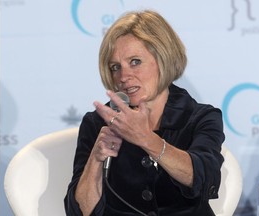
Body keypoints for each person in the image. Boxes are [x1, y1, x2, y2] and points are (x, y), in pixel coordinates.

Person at [64, 9, 225, 216]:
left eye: (135, 62)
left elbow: (205, 179)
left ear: (163, 59)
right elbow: (78, 212)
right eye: (115, 67)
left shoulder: (200, 118)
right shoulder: (97, 124)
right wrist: (96, 159)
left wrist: (147, 139)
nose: (123, 76)